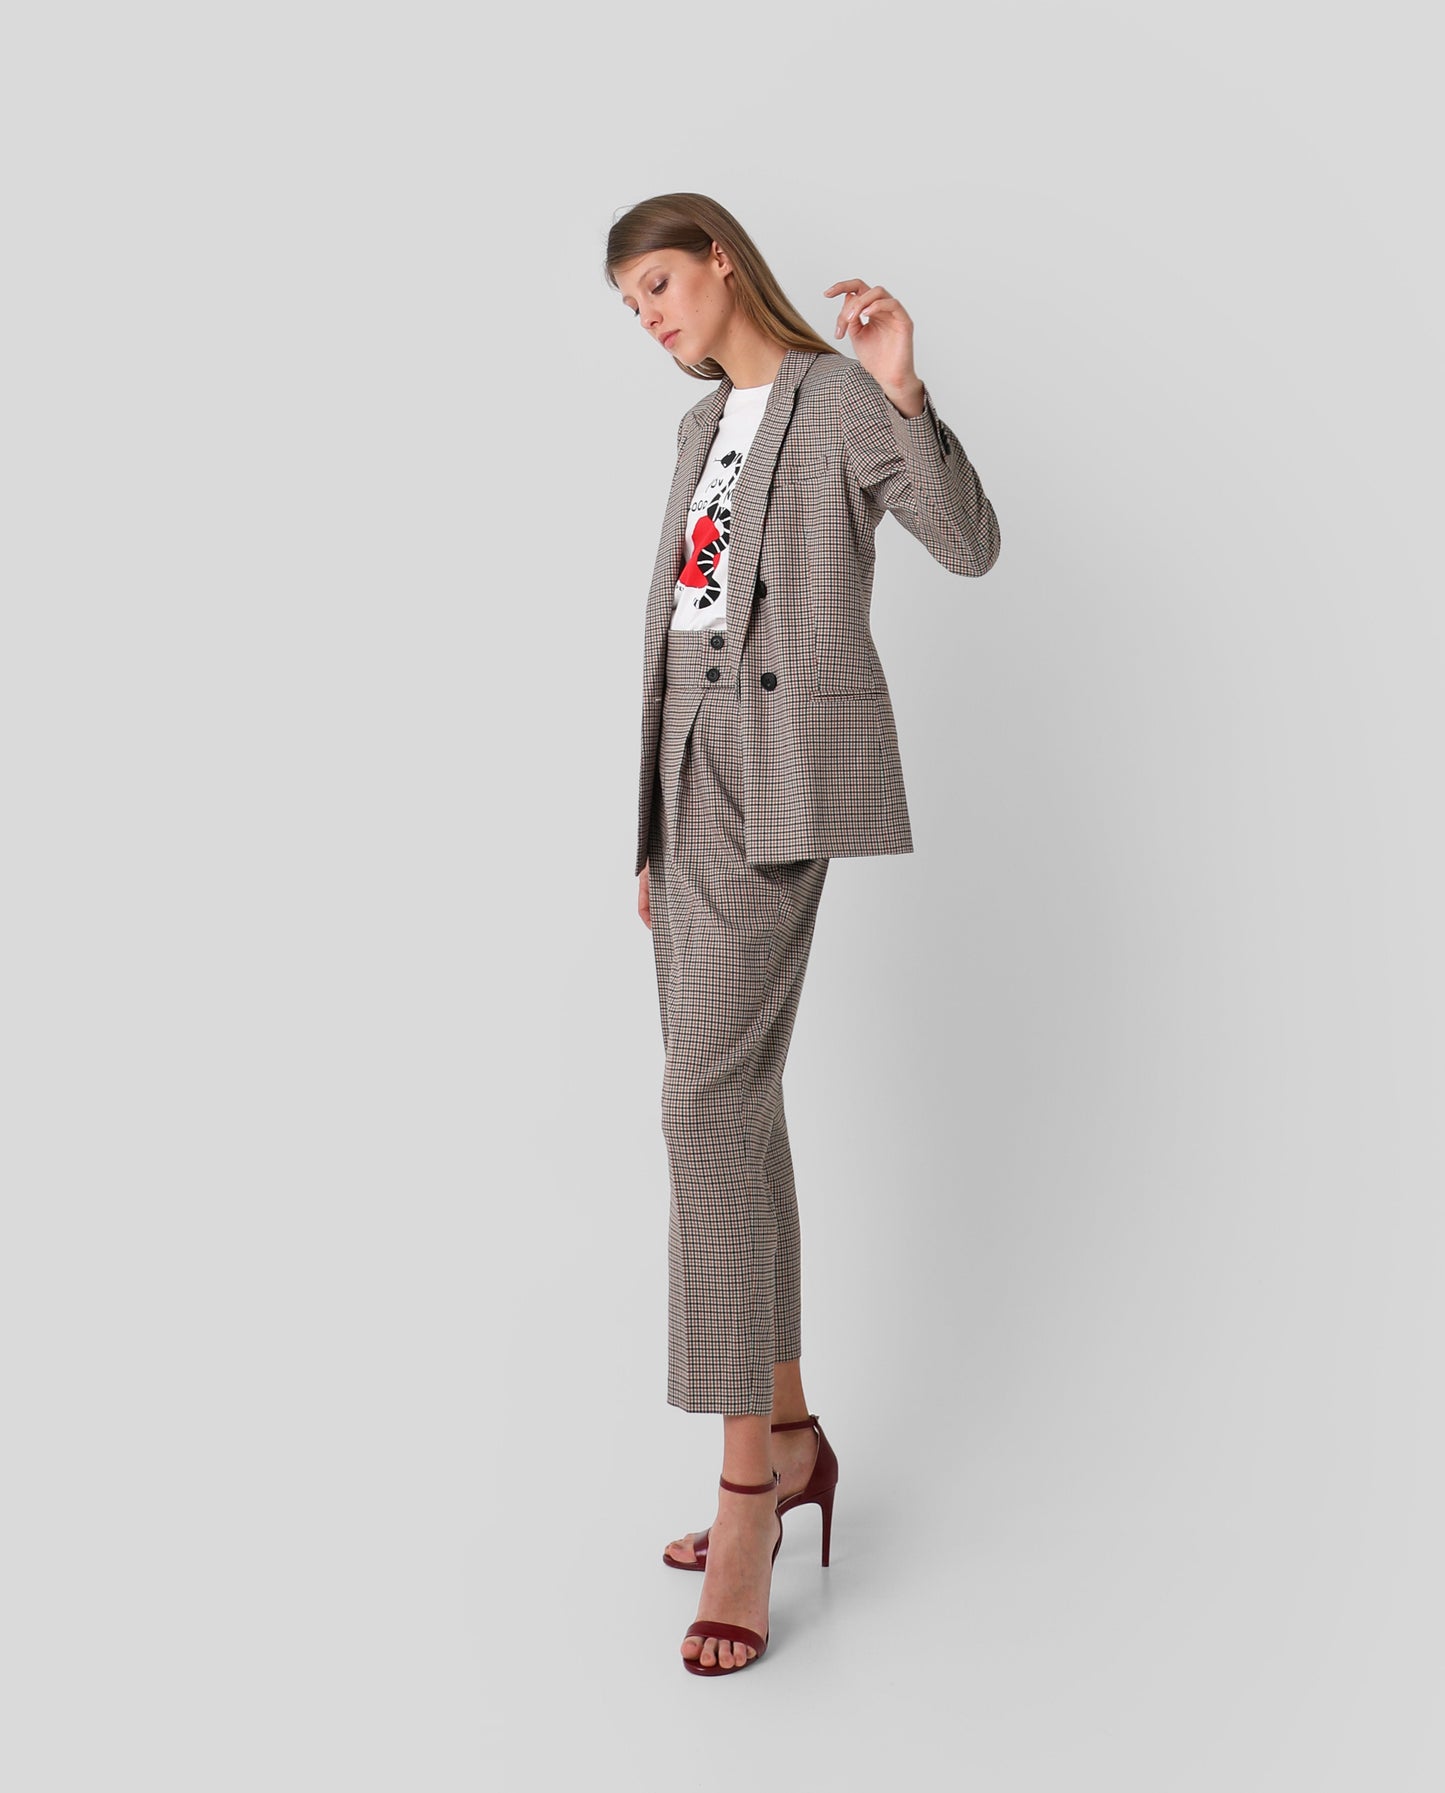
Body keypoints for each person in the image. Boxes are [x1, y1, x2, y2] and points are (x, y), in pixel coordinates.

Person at [606, 192, 1001, 1676]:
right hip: (687, 773)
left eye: (659, 283)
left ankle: (745, 1497)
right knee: (737, 1103)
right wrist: (649, 827)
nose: (649, 317)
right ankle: (787, 1430)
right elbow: (673, 626)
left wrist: (903, 389)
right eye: (630, 305)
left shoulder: (833, 399)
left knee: (701, 1105)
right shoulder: (696, 425)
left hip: (778, 778)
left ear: (721, 258)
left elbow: (968, 542)